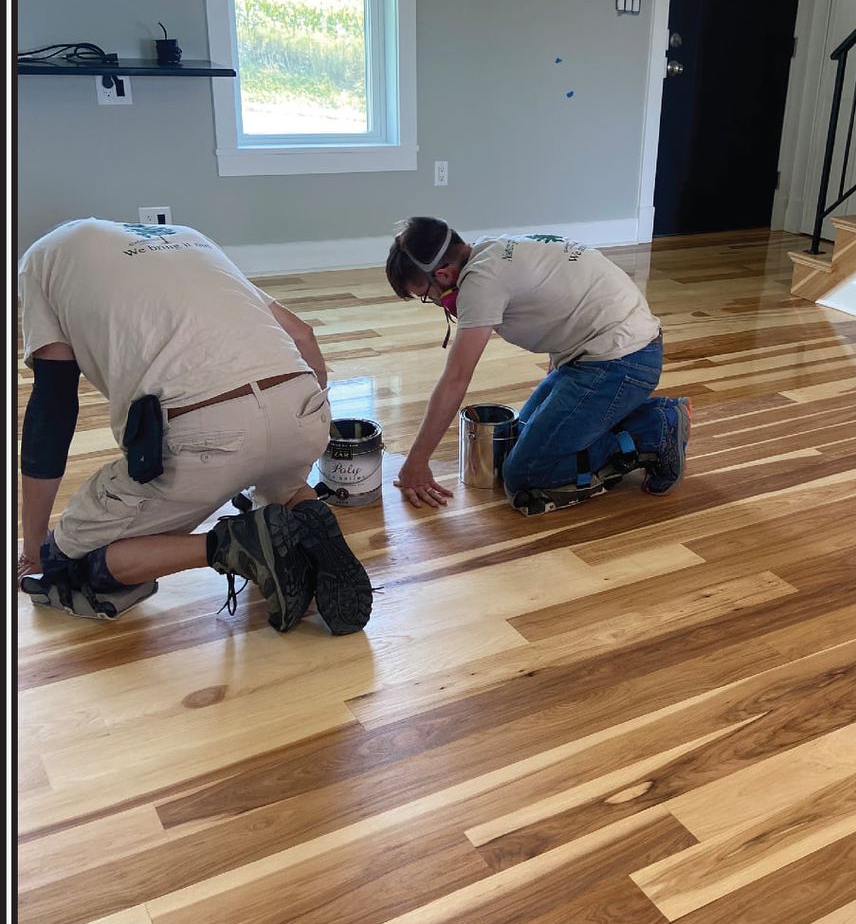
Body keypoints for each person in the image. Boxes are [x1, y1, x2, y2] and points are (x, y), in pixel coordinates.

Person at [14, 218, 372, 634]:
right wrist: (310, 421)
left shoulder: (42, 259)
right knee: (282, 478)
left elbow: (52, 411)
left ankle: (233, 544)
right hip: (299, 400)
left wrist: (36, 547)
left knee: (68, 567)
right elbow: (303, 335)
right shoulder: (187, 239)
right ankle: (307, 512)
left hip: (204, 433)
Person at [385, 218, 689, 516]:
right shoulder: (490, 248)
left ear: (444, 274)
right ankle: (617, 420)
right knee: (518, 440)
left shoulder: (481, 282)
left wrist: (417, 462)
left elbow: (455, 379)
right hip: (601, 354)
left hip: (622, 362)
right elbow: (561, 300)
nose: (435, 302)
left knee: (525, 475)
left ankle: (655, 427)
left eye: (426, 295)